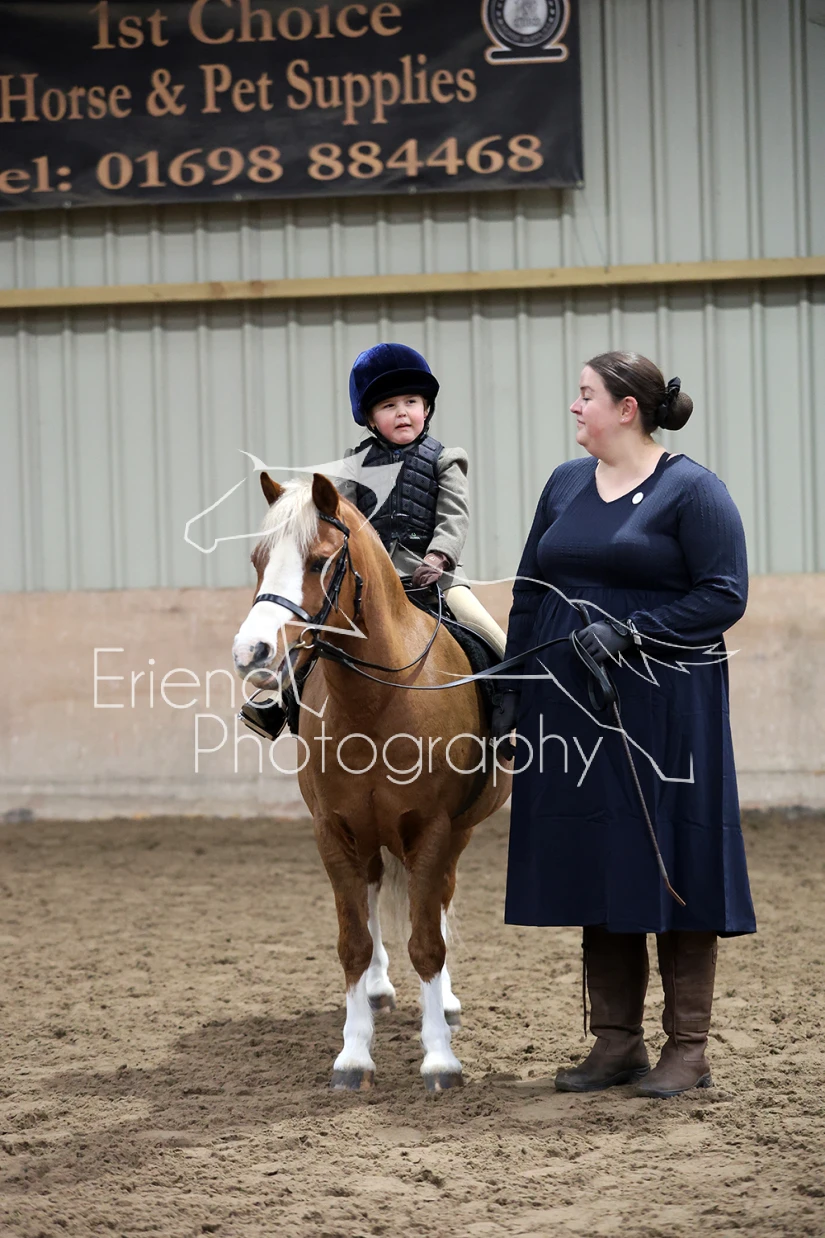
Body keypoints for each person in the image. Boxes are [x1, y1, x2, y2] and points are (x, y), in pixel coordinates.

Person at [491, 351, 756, 1099]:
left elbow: (724, 594)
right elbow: (529, 591)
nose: (576, 407)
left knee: (673, 854)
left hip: (666, 708)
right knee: (596, 856)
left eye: (586, 395)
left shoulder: (693, 490)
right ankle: (615, 1042)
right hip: (571, 705)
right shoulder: (564, 483)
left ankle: (687, 1048)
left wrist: (634, 631)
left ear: (626, 408)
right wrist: (509, 689)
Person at [339, 342, 507, 657]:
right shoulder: (355, 464)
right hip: (371, 578)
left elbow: (454, 517)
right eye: (388, 405)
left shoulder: (446, 459)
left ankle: (517, 681)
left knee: (491, 635)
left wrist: (438, 557)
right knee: (313, 631)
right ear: (371, 419)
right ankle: (279, 687)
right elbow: (341, 520)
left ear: (426, 409)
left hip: (434, 577)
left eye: (411, 402)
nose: (402, 412)